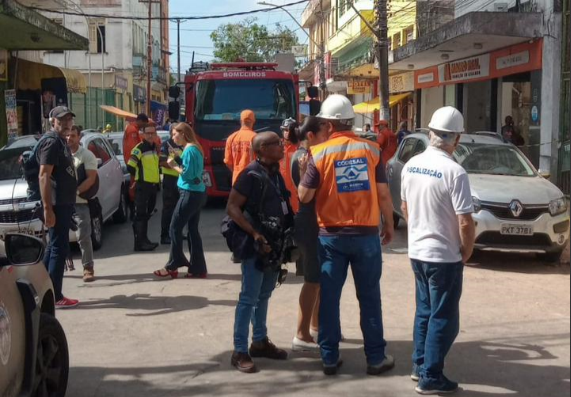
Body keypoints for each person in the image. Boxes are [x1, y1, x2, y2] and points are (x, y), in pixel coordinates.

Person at [298, 95, 395, 376]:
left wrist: (305, 175)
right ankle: (375, 358)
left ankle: (329, 358)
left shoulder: (319, 153)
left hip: (331, 237)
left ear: (328, 125)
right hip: (365, 235)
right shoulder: (372, 150)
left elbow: (304, 196)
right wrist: (388, 225)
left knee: (329, 297)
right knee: (370, 298)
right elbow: (384, 194)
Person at [401, 106, 475, 395]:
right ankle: (430, 377)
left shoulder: (410, 165)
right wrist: (466, 251)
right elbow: (465, 220)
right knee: (444, 318)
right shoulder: (455, 171)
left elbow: (405, 208)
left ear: (430, 133)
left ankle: (419, 366)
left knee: (424, 312)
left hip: (417, 253)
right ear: (456, 138)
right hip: (444, 256)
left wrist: (419, 233)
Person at [227, 131, 292, 374]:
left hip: (274, 244)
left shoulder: (274, 173)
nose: (282, 146)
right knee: (248, 298)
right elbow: (232, 207)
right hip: (256, 245)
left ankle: (260, 341)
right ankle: (239, 350)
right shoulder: (250, 175)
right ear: (263, 148)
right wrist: (254, 234)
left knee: (264, 295)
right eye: (277, 143)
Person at [290, 116, 329, 352]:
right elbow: (306, 194)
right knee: (312, 280)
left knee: (318, 281)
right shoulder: (304, 157)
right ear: (311, 136)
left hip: (312, 221)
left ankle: (315, 327)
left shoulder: (308, 155)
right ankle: (302, 335)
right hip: (309, 222)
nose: (329, 137)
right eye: (325, 133)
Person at [154, 123, 208, 279]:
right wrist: (176, 161)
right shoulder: (192, 148)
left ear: (183, 134)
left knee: (174, 227)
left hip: (190, 193)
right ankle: (197, 268)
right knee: (192, 230)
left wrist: (173, 166)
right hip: (195, 192)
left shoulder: (190, 149)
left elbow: (187, 174)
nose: (172, 137)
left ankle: (174, 264)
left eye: (174, 134)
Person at [38, 106, 79, 308]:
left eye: (69, 119)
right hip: (56, 204)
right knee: (58, 249)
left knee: (54, 248)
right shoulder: (51, 142)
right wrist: (48, 208)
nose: (66, 123)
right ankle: (55, 296)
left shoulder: (60, 141)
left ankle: (42, 290)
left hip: (63, 203)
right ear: (53, 120)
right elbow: (44, 175)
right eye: (62, 120)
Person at [66, 126, 98, 283]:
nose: (69, 138)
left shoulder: (87, 155)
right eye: (67, 135)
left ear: (79, 137)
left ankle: (88, 268)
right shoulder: (60, 154)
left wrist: (75, 192)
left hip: (80, 202)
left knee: (83, 236)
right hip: (61, 203)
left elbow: (91, 178)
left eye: (72, 135)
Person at [127, 125, 161, 252]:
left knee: (147, 213)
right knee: (140, 214)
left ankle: (145, 240)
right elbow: (130, 166)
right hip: (143, 185)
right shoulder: (139, 148)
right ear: (143, 134)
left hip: (152, 186)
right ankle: (139, 243)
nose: (151, 136)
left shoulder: (153, 148)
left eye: (153, 133)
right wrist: (138, 178)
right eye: (148, 133)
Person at [159, 124, 184, 245]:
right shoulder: (166, 145)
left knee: (180, 208)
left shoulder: (183, 144)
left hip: (182, 180)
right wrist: (175, 162)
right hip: (170, 180)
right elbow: (162, 162)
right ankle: (165, 235)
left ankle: (177, 232)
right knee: (168, 208)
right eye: (176, 132)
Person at [224, 110, 257, 186]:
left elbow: (228, 162)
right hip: (253, 179)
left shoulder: (231, 138)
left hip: (237, 179)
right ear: (253, 121)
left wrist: (236, 171)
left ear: (241, 121)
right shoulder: (256, 138)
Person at [279, 118, 300, 213]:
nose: (286, 133)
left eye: (289, 130)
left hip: (296, 191)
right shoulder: (277, 146)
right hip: (280, 190)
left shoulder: (300, 148)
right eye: (284, 130)